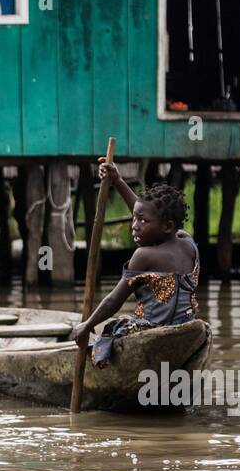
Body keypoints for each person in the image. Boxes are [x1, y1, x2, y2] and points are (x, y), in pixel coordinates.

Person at [69, 157, 200, 367]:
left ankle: (100, 363)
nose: (135, 226)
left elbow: (114, 300)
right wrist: (118, 180)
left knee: (112, 328)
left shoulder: (143, 256)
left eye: (142, 221)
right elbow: (147, 212)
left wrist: (88, 324)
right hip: (186, 325)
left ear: (167, 227)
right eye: (134, 219)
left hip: (151, 330)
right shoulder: (187, 242)